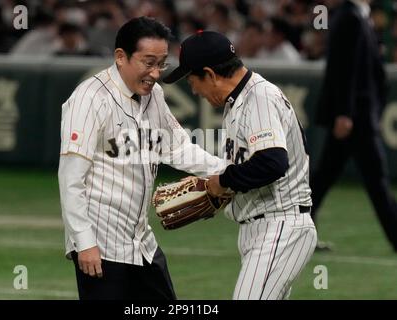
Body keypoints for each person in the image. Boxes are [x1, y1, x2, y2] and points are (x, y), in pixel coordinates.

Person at [58, 17, 226, 300]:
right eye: (148, 62)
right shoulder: (89, 99)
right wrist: (83, 243)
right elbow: (70, 177)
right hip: (101, 247)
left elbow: (177, 148)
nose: (156, 73)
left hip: (142, 243)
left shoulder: (154, 95)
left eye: (161, 63)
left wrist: (230, 171)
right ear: (120, 57)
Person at [163, 31, 317, 300]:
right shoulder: (239, 101)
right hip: (262, 228)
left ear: (210, 74)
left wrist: (223, 181)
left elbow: (272, 163)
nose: (194, 90)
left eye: (192, 80)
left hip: (280, 227)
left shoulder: (259, 98)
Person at [310, 0, 397, 252]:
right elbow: (343, 69)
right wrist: (345, 114)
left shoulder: (356, 16)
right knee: (376, 180)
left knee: (325, 177)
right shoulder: (350, 17)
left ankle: (298, 233)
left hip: (355, 116)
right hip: (354, 118)